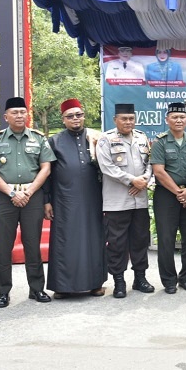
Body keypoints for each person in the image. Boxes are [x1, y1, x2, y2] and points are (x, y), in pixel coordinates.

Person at [0, 97, 56, 307]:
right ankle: (3, 292)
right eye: (15, 112)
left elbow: (46, 168)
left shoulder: (39, 139)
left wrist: (29, 191)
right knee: (4, 247)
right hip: (4, 198)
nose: (20, 116)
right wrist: (12, 193)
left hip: (32, 197)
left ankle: (37, 289)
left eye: (23, 112)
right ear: (6, 117)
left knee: (32, 245)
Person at [43, 99, 106, 298]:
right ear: (63, 120)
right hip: (64, 199)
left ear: (84, 116)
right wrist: (47, 200)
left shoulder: (96, 138)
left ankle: (96, 283)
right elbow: (46, 173)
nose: (75, 119)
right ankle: (62, 286)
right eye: (70, 116)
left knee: (94, 239)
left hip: (93, 198)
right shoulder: (54, 141)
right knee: (64, 241)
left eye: (78, 115)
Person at [96, 103, 154, 298]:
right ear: (115, 120)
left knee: (140, 240)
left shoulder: (142, 138)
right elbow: (107, 167)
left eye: (131, 118)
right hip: (116, 202)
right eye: (124, 119)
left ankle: (140, 278)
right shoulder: (106, 140)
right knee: (117, 243)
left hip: (140, 201)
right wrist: (132, 180)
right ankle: (119, 281)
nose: (128, 122)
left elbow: (149, 164)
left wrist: (144, 180)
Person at [150, 102, 186, 294]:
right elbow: (159, 172)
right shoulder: (160, 142)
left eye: (182, 117)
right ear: (167, 120)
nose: (179, 120)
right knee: (166, 239)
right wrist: (180, 193)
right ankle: (169, 281)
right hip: (166, 196)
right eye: (174, 117)